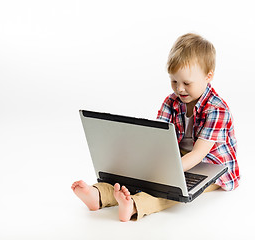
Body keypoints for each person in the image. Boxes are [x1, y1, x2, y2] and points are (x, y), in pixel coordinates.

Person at [71, 33, 240, 222]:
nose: (180, 89)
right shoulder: (171, 101)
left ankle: (135, 205)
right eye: (174, 81)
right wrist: (142, 164)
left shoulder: (217, 110)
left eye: (187, 83)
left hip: (211, 165)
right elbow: (158, 137)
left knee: (171, 189)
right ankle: (99, 195)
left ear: (208, 76)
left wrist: (165, 171)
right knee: (138, 175)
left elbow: (199, 154)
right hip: (179, 157)